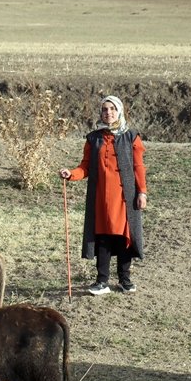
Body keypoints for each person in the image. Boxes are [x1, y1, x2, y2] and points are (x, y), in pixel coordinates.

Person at [59, 95, 148, 295]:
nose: (108, 113)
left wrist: (142, 192)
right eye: (104, 110)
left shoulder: (131, 136)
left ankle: (125, 279)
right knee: (103, 237)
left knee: (124, 235)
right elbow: (85, 167)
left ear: (120, 111)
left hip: (125, 197)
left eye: (112, 109)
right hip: (100, 198)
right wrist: (71, 174)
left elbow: (138, 166)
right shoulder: (94, 138)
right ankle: (102, 282)